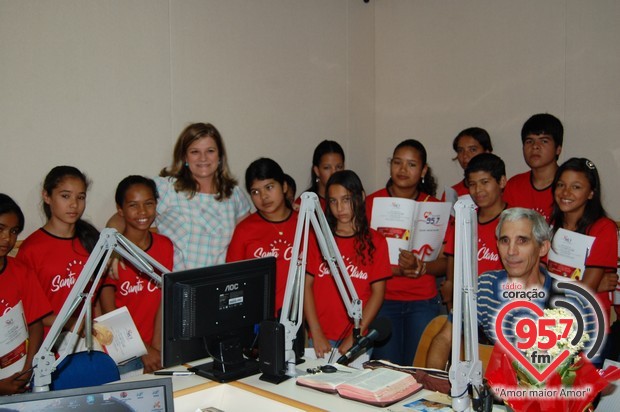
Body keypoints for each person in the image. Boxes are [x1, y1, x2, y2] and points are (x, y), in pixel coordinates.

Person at [427, 208, 596, 369]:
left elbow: (570, 372)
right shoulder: (485, 285)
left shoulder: (565, 300)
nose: (511, 251)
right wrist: (433, 386)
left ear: (543, 247)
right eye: (505, 240)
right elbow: (444, 338)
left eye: (522, 241)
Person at [366, 139, 446, 366]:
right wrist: (397, 270)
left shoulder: (435, 207)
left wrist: (421, 267)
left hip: (423, 301)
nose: (402, 170)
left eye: (411, 165)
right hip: (382, 300)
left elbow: (445, 263)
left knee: (418, 370)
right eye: (397, 162)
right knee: (385, 370)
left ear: (423, 170)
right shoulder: (371, 203)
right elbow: (361, 258)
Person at [136, 122, 250, 270]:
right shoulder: (167, 188)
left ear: (220, 156)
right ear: (184, 157)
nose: (203, 158)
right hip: (179, 285)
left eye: (210, 151)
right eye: (195, 152)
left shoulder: (234, 194)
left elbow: (252, 234)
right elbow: (122, 217)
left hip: (221, 285)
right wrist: (115, 252)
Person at [304, 170, 391, 358]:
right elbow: (306, 286)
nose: (340, 208)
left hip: (357, 337)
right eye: (333, 201)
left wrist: (355, 335)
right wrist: (316, 332)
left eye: (346, 199)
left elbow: (378, 293)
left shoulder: (377, 241)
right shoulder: (317, 238)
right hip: (320, 337)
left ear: (360, 197)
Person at [99, 176, 174, 374]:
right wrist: (143, 350)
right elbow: (108, 310)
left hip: (156, 346)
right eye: (133, 205)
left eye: (148, 204)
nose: (142, 212)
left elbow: (163, 300)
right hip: (122, 349)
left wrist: (156, 349)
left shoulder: (164, 246)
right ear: (120, 209)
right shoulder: (111, 251)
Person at [17, 166, 100, 336]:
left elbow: (96, 297)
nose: (74, 204)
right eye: (65, 196)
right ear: (47, 196)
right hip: (48, 344)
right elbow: (28, 309)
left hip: (89, 340)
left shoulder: (92, 241)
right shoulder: (31, 249)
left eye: (81, 197)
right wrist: (70, 323)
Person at [549, 158, 618, 343]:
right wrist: (589, 284)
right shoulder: (549, 225)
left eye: (576, 187)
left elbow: (584, 293)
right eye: (561, 184)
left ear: (591, 193)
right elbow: (535, 280)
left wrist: (588, 286)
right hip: (550, 325)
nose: (565, 192)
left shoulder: (604, 228)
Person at [226, 158, 297, 315]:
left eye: (269, 187)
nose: (263, 196)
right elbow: (232, 280)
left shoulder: (305, 223)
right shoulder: (245, 230)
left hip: (299, 319)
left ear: (284, 186)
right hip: (256, 318)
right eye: (255, 192)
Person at [0, 194, 52, 395]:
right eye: (1, 229)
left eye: (13, 232)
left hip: (19, 376)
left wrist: (28, 369)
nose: (7, 239)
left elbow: (35, 324)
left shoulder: (21, 271)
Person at [441, 153, 508, 308]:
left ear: (502, 181)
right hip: (467, 306)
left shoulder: (514, 221)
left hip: (501, 304)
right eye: (472, 184)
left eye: (485, 182)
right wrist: (451, 285)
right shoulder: (464, 219)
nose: (478, 190)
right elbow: (453, 256)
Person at [503, 113, 563, 222]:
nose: (535, 146)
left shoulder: (569, 186)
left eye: (544, 141)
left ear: (558, 149)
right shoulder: (514, 185)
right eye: (529, 141)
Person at [443, 127, 493, 199]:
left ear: (486, 152)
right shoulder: (452, 194)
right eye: (460, 150)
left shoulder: (500, 190)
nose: (465, 155)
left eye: (473, 149)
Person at [295, 140, 345, 210]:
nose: (334, 173)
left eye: (339, 167)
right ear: (317, 170)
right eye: (327, 168)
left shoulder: (351, 199)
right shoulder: (305, 202)